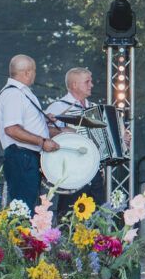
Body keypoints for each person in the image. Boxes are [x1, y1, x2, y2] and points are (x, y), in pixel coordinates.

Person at [0, 54, 58, 207]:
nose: (35, 75)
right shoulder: (14, 94)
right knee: (23, 208)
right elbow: (12, 129)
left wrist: (41, 121)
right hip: (21, 156)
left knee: (27, 207)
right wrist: (42, 142)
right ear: (27, 72)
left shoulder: (21, 93)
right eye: (34, 71)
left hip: (26, 156)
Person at [44, 67, 107, 218]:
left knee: (98, 216)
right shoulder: (58, 107)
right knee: (69, 215)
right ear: (74, 85)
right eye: (87, 82)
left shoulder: (93, 108)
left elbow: (103, 136)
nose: (91, 85)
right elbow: (45, 133)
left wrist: (120, 139)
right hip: (71, 170)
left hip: (93, 169)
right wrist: (66, 132)